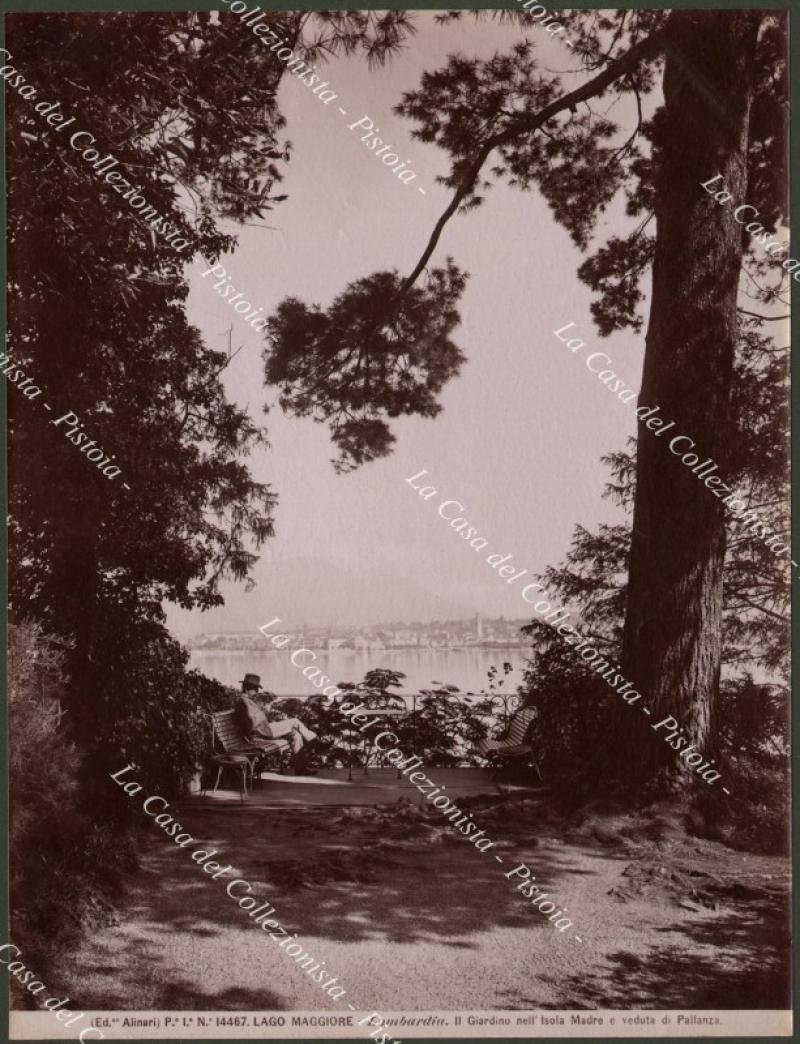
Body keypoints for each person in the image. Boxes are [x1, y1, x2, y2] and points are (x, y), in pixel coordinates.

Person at [236, 674, 320, 774]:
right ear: (246, 688)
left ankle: (300, 769)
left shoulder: (247, 701)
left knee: (296, 735)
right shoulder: (244, 702)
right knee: (294, 721)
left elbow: (253, 719)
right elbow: (250, 723)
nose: (257, 691)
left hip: (263, 729)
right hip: (262, 732)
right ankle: (315, 741)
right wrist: (263, 726)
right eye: (255, 688)